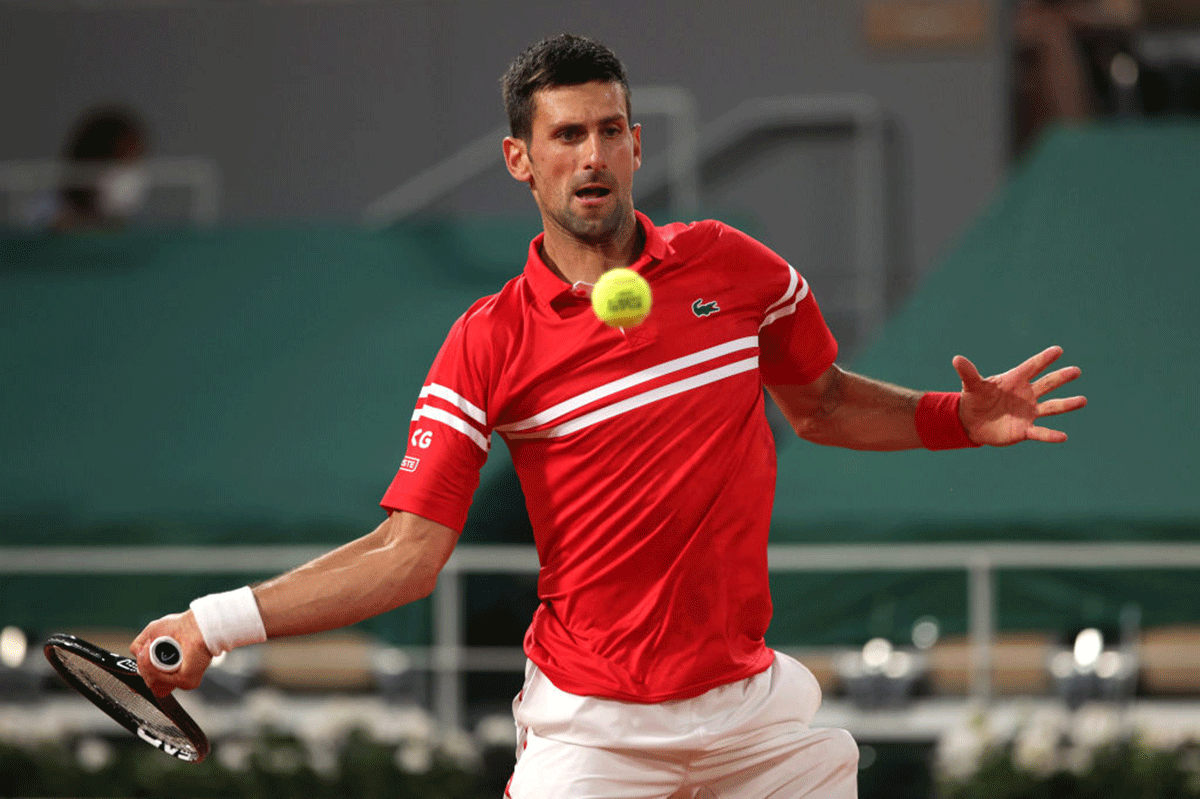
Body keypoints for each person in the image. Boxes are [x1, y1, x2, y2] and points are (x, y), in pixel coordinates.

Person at [132, 34, 1087, 798]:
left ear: (636, 145)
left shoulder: (734, 268)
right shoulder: (489, 341)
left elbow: (825, 403)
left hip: (750, 714)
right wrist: (213, 623)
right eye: (565, 136)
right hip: (594, 729)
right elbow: (405, 555)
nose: (591, 156)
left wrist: (954, 417)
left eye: (609, 130)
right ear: (522, 159)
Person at [48, 104, 150, 231]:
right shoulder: (40, 224)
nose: (130, 176)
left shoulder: (137, 231)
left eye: (135, 162)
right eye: (121, 163)